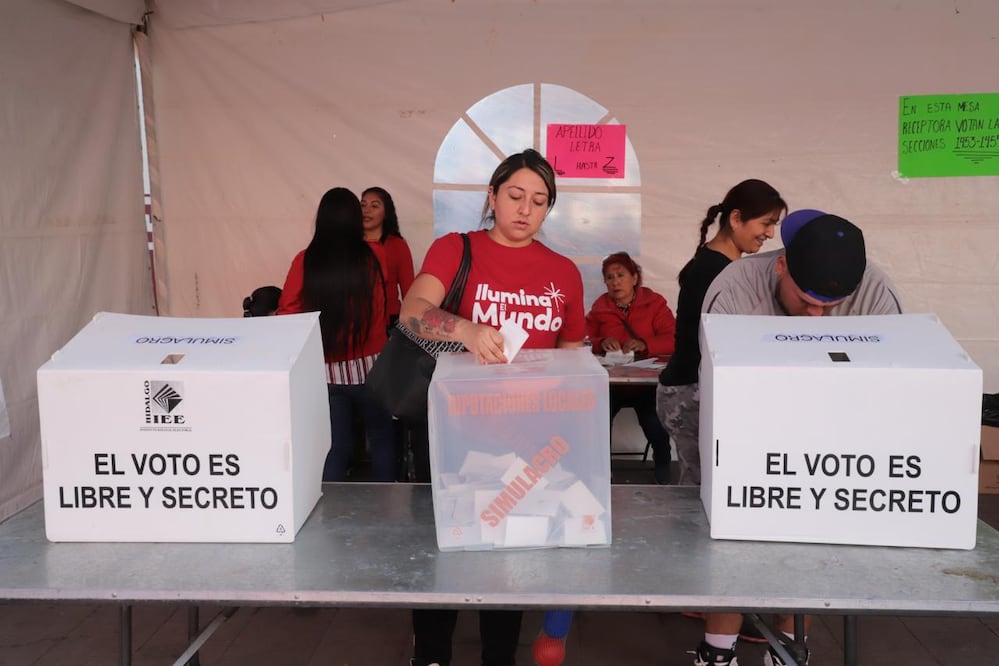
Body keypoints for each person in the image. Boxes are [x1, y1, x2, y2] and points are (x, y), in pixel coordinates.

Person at [690, 209, 903, 666]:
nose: (816, 316)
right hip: (744, 431)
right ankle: (718, 649)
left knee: (807, 544)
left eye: (831, 305)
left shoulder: (876, 289)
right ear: (780, 264)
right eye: (806, 301)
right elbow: (716, 386)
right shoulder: (733, 287)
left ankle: (787, 647)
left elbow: (895, 381)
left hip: (835, 437)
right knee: (730, 541)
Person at [400, 148, 586, 666]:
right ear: (492, 196)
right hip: (454, 438)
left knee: (509, 563)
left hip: (527, 445)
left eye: (540, 201)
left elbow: (572, 362)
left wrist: (566, 439)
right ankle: (431, 656)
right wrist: (464, 328)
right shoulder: (455, 250)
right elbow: (410, 313)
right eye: (515, 195)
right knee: (443, 559)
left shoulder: (564, 272)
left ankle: (498, 657)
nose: (526, 210)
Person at [657, 179, 787, 486]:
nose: (770, 233)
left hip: (690, 389)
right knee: (704, 488)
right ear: (736, 218)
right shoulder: (717, 272)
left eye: (774, 225)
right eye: (766, 223)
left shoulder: (720, 264)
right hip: (690, 393)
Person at [276, 187, 397, 483]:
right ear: (356, 220)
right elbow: (381, 311)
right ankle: (390, 515)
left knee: (335, 447)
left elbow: (288, 314)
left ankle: (333, 517)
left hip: (325, 371)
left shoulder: (305, 261)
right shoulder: (374, 256)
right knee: (382, 440)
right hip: (372, 368)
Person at [586, 251, 676, 483]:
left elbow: (674, 338)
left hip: (645, 385)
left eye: (621, 275)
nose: (615, 282)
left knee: (654, 424)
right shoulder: (600, 307)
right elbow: (583, 338)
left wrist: (646, 344)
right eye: (609, 277)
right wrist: (600, 343)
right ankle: (601, 470)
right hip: (612, 384)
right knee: (597, 422)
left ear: (635, 278)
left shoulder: (654, 303)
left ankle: (663, 465)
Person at [362, 186, 415, 328]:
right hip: (357, 323)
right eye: (363, 205)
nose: (366, 211)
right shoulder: (350, 243)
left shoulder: (398, 245)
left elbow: (409, 293)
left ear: (386, 213)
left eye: (374, 206)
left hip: (389, 323)